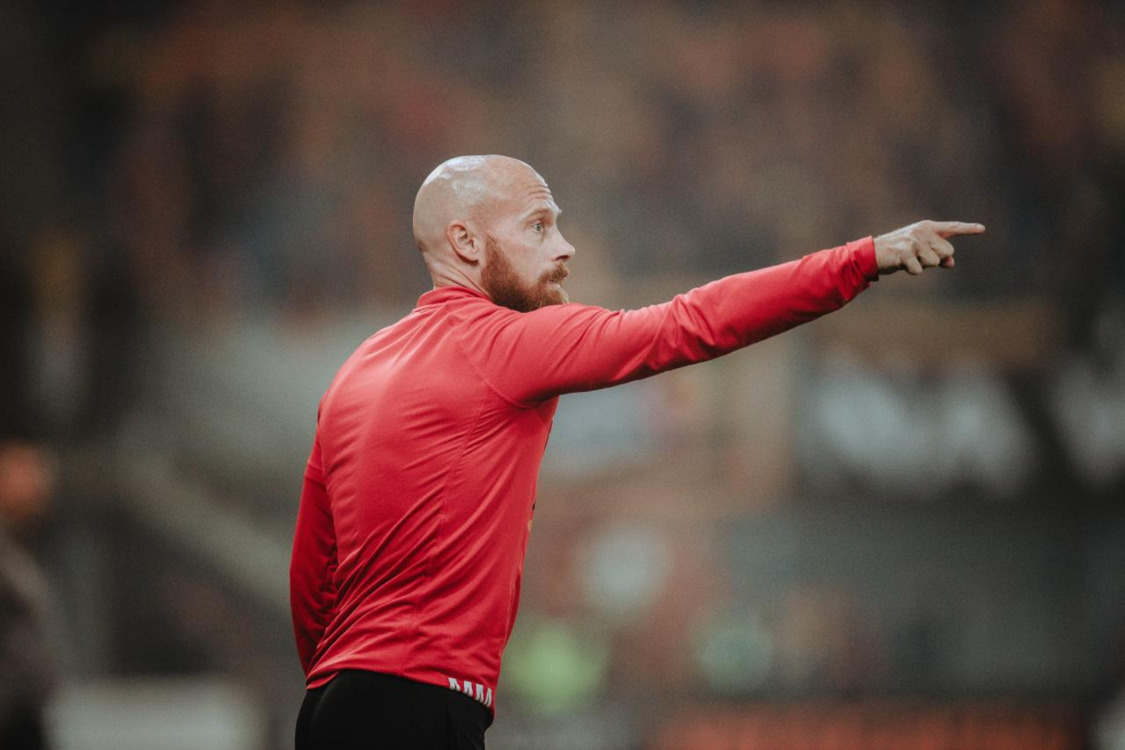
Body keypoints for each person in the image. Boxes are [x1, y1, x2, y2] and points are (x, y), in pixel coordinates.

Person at [289, 154, 984, 749]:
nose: (564, 247)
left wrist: (338, 684)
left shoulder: (355, 372)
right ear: (466, 242)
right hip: (417, 702)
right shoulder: (501, 344)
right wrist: (861, 259)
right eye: (538, 227)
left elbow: (311, 575)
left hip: (330, 705)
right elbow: (688, 324)